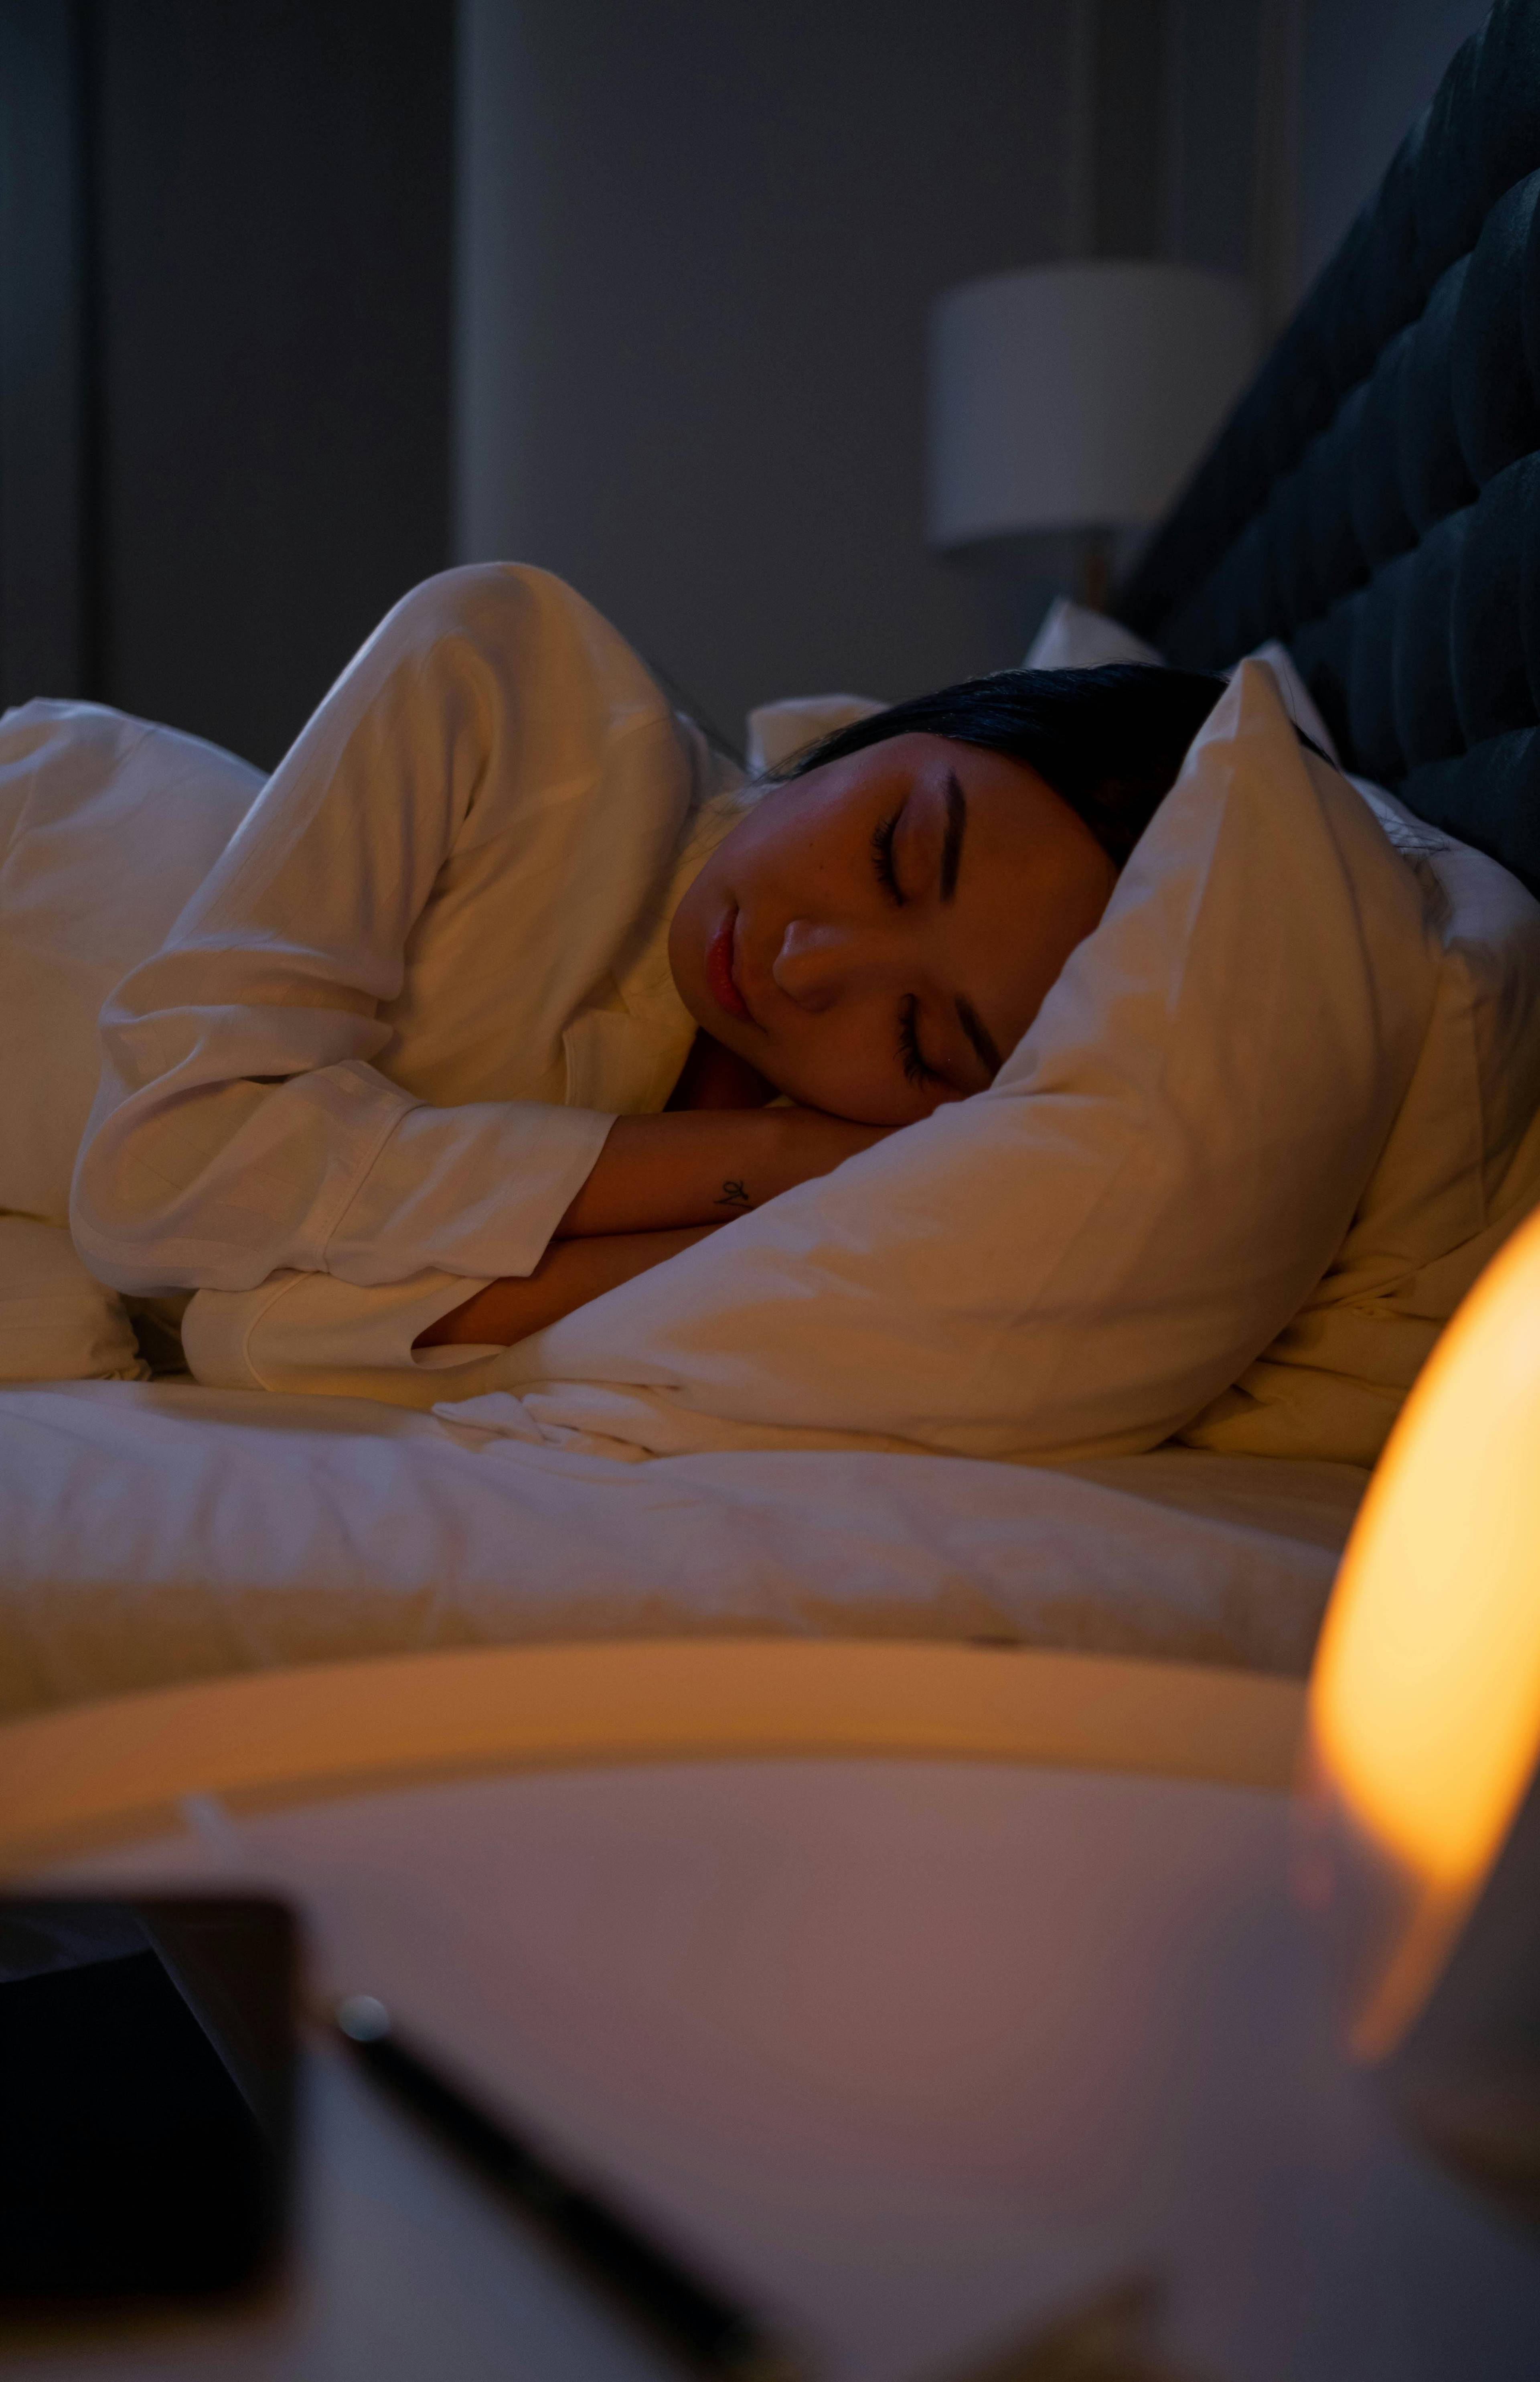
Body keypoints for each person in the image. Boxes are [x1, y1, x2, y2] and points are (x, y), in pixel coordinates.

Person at [65, 564, 1222, 1397]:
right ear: (907, 727)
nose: (810, 967)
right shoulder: (515, 678)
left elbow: (247, 1340)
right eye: (890, 853)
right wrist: (760, 1165)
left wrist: (769, 1188)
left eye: (922, 1037)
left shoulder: (812, 1178)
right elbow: (156, 1186)